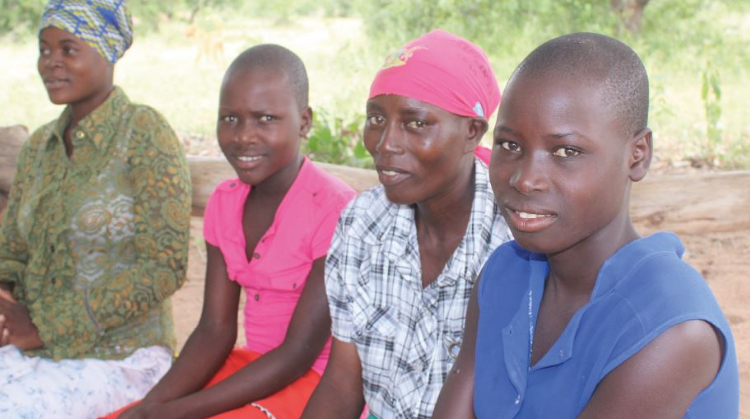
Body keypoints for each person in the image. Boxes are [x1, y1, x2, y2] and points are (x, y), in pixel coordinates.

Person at [433, 32, 740, 418]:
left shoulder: (669, 327)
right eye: (510, 145)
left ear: (637, 155)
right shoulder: (504, 274)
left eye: (567, 151)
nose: (526, 180)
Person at [106, 44, 357, 419]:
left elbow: (298, 352)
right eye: (230, 118)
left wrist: (178, 412)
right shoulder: (225, 203)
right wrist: (151, 406)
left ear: (304, 121)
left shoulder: (334, 209)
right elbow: (214, 329)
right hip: (252, 367)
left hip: (317, 382)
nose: (243, 136)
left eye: (266, 118)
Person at [300, 29, 512, 419]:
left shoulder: (513, 241)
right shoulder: (362, 223)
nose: (385, 144)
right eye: (376, 119)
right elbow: (343, 382)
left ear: (472, 132)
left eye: (415, 123)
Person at [0, 1, 192, 418]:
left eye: (68, 49)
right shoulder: (38, 147)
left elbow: (164, 266)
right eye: (44, 49)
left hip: (122, 357)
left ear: (107, 51)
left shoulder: (144, 133)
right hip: (33, 352)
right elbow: (13, 251)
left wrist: (45, 327)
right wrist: (4, 298)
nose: (51, 63)